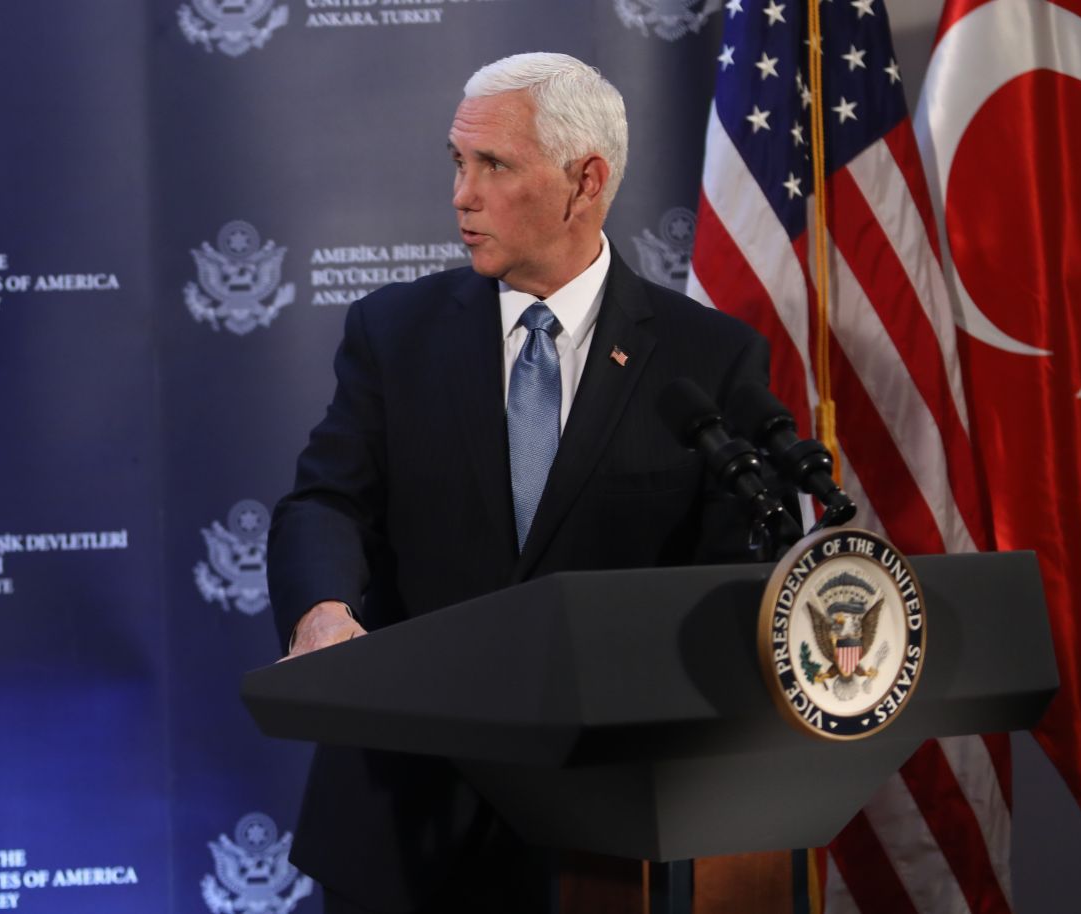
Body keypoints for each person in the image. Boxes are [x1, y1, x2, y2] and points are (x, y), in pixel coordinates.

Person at [267, 52, 770, 912]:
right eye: (457, 163)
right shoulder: (395, 332)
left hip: (609, 833)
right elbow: (326, 501)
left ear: (586, 182)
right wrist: (322, 612)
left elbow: (732, 583)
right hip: (403, 818)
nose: (461, 194)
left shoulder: (708, 360)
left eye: (492, 165)